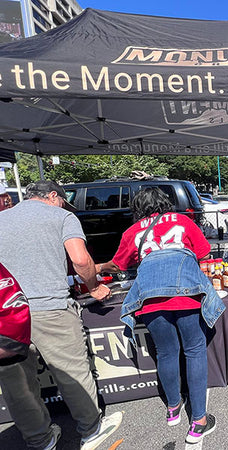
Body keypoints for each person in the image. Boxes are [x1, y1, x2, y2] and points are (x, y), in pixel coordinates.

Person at [0, 179, 122, 450]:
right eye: (63, 201)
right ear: (53, 196)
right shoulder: (62, 216)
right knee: (72, 373)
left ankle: (40, 440)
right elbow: (80, 259)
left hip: (6, 315)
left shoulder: (2, 218)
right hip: (50, 307)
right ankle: (91, 430)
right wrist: (94, 287)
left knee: (17, 385)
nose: (65, 206)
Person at [97, 187, 224, 445]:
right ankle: (198, 421)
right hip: (186, 294)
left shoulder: (133, 232)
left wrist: (98, 267)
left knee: (166, 352)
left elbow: (119, 265)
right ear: (165, 203)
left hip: (151, 296)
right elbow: (204, 254)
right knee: (194, 350)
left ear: (138, 207)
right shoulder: (183, 221)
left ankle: (173, 409)